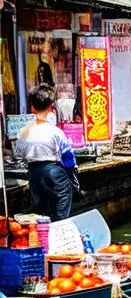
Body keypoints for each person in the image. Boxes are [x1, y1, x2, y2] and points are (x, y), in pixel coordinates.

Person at [15, 84, 77, 220]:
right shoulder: (55, 131)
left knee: (41, 215)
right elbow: (68, 159)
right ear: (51, 107)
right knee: (60, 215)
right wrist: (72, 172)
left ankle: (44, 239)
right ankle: (60, 237)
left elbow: (18, 154)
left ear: (32, 107)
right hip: (54, 173)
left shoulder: (23, 132)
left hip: (34, 174)